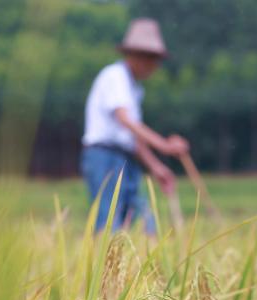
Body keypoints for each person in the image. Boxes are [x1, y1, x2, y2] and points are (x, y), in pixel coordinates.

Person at [80, 18, 190, 234]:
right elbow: (125, 120)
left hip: (125, 158)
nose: (154, 66)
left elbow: (133, 137)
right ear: (136, 56)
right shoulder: (115, 76)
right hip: (103, 156)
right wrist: (163, 145)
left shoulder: (134, 89)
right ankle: (106, 267)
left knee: (141, 218)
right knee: (109, 221)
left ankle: (144, 266)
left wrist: (156, 167)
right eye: (152, 60)